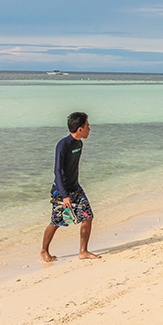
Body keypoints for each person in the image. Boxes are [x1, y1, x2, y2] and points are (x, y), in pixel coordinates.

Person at [40, 112, 101, 262]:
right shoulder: (63, 145)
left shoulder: (79, 143)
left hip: (76, 188)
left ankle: (83, 251)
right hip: (61, 191)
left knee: (88, 216)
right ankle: (44, 251)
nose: (89, 129)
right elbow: (58, 171)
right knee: (56, 222)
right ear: (80, 129)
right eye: (87, 126)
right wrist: (64, 195)